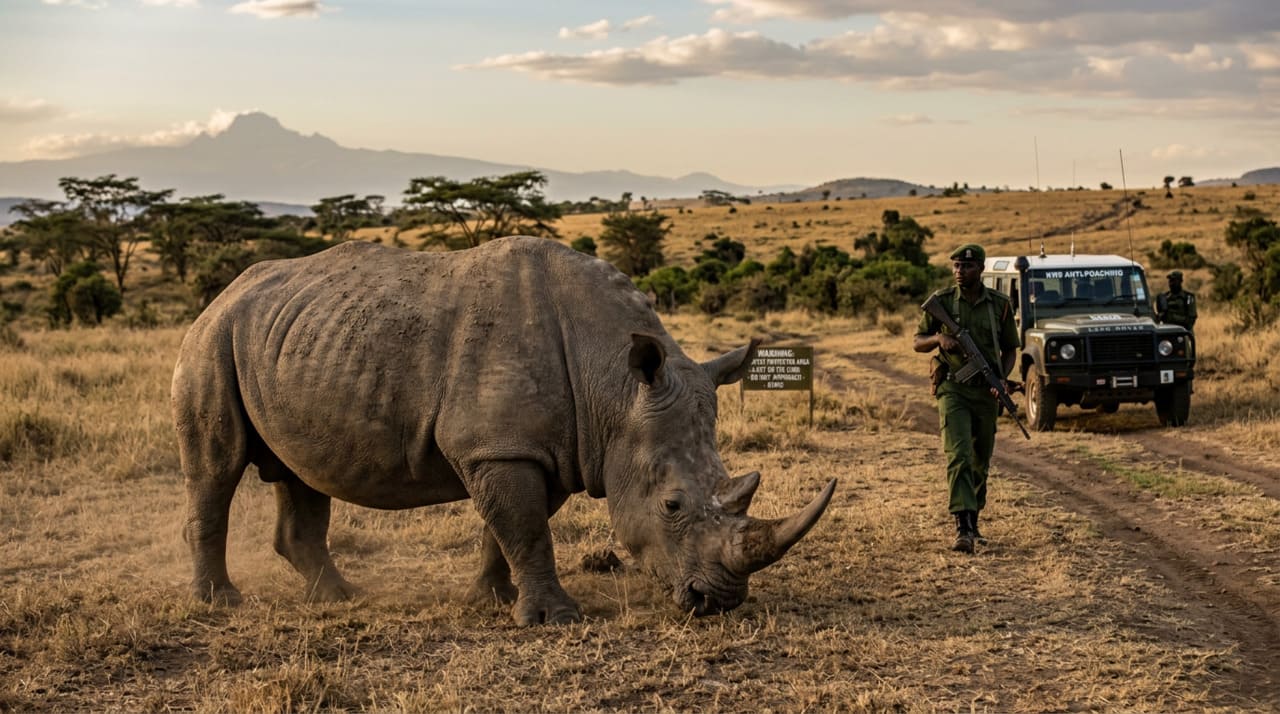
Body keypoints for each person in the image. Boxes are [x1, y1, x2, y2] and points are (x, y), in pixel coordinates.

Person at [913, 244, 1020, 554]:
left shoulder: (999, 305)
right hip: (953, 389)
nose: (960, 271)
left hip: (985, 394)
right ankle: (962, 526)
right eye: (956, 266)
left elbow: (1011, 349)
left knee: (980, 460)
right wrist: (938, 338)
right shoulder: (943, 302)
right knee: (958, 455)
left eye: (967, 267)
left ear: (981, 269)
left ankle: (973, 521)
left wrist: (1000, 379)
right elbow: (917, 342)